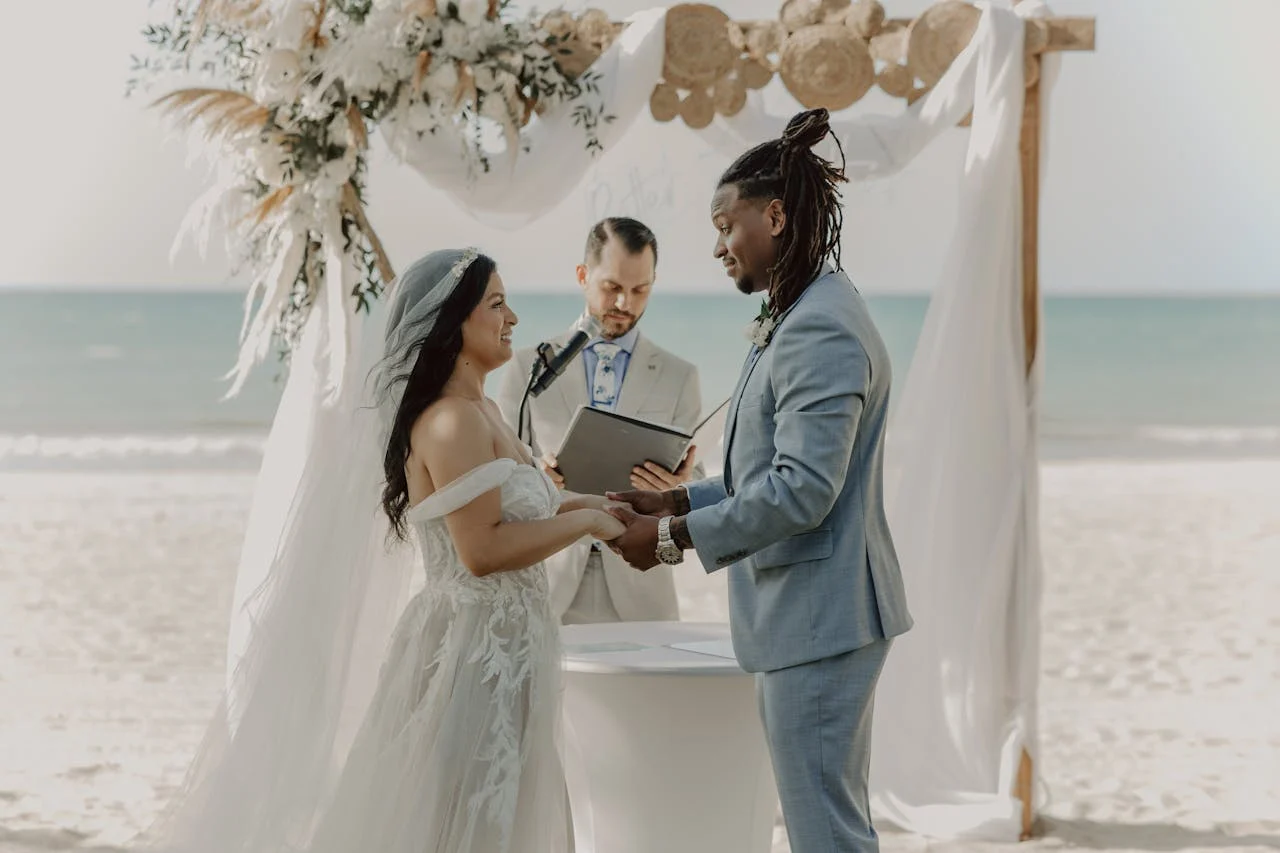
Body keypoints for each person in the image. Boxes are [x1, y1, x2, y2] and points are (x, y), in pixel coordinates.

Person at [145, 249, 623, 853]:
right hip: (471, 650)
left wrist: (613, 507)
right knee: (461, 815)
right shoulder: (450, 422)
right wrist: (591, 526)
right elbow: (480, 549)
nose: (514, 319)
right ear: (453, 324)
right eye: (497, 304)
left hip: (514, 646)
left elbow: (536, 506)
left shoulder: (488, 410)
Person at [606, 110, 914, 852]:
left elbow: (803, 489)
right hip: (814, 617)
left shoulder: (818, 325)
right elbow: (765, 472)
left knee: (825, 834)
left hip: (819, 620)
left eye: (726, 226)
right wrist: (677, 497)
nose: (717, 247)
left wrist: (671, 538)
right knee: (830, 825)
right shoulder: (803, 308)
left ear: (773, 216)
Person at [496, 217, 703, 625]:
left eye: (640, 289)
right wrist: (536, 476)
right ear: (582, 275)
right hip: (545, 579)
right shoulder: (526, 366)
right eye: (612, 287)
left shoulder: (681, 376)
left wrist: (678, 487)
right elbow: (499, 476)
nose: (625, 303)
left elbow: (698, 483)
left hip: (642, 587)